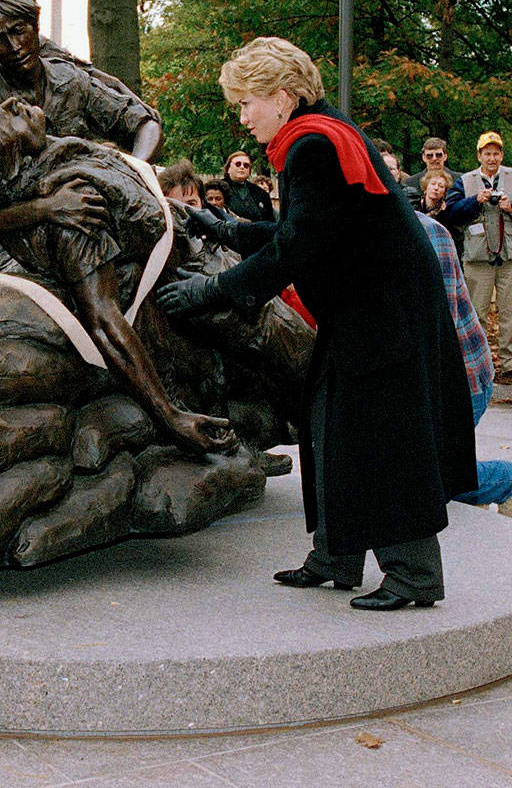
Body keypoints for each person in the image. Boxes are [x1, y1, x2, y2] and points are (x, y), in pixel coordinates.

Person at [155, 36, 476, 610]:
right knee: (327, 422)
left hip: (380, 312)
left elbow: (296, 248)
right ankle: (337, 554)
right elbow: (309, 231)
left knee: (379, 433)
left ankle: (415, 574)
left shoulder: (312, 147)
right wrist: (224, 229)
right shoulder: (321, 134)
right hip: (372, 303)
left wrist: (211, 289)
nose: (242, 115)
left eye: (246, 102)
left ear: (280, 97)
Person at [0, 100, 248, 455]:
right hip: (195, 278)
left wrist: (39, 208)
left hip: (202, 253)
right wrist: (170, 416)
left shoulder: (40, 176)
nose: (11, 103)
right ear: (15, 159)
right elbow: (103, 321)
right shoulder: (75, 209)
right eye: (5, 119)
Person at [0, 0, 162, 273]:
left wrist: (131, 174)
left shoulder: (69, 78)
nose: (15, 46)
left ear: (34, 23)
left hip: (82, 214)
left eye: (19, 30)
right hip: (1, 240)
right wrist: (47, 209)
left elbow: (142, 122)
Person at [415, 211, 512, 520]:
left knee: (425, 480)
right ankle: (467, 492)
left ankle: (510, 482)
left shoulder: (426, 232)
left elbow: (438, 321)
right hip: (421, 381)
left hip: (460, 377)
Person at [444, 131, 512, 378]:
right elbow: (452, 213)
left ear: (502, 155)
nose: (492, 158)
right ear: (479, 155)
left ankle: (511, 362)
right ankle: (477, 362)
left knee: (511, 313)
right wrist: (475, 201)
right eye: (487, 153)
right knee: (477, 312)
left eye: (496, 153)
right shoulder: (464, 181)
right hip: (478, 256)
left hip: (511, 255)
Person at [223, 150, 276, 222]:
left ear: (249, 171)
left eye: (246, 165)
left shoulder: (261, 193)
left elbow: (270, 222)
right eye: (238, 164)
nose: (242, 167)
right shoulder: (217, 188)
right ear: (228, 168)